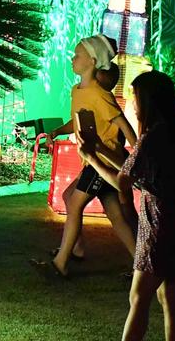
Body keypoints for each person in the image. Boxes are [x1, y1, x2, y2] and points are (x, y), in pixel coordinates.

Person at [80, 70, 175, 341]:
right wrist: (99, 147)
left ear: (148, 101)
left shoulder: (153, 136)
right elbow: (134, 169)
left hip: (159, 224)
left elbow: (123, 182)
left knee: (138, 297)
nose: (132, 103)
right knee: (169, 296)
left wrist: (92, 159)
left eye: (135, 96)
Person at [48, 35, 139, 277]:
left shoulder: (100, 94)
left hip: (102, 162)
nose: (72, 59)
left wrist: (137, 151)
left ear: (92, 60)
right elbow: (77, 121)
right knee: (115, 215)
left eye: (77, 55)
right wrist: (58, 131)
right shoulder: (77, 90)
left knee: (74, 201)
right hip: (91, 160)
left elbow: (123, 124)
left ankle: (62, 261)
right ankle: (140, 263)